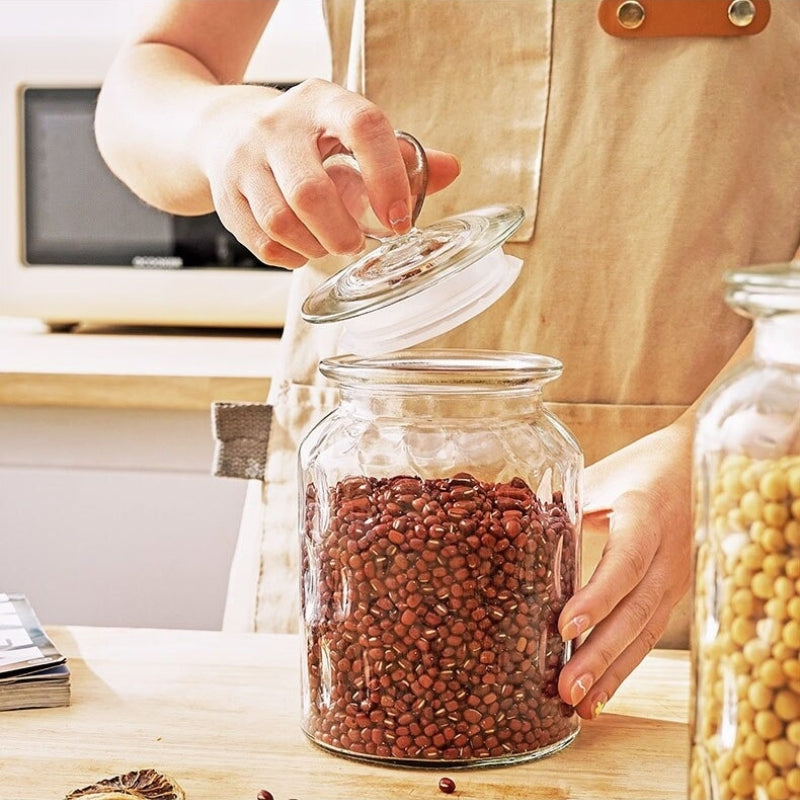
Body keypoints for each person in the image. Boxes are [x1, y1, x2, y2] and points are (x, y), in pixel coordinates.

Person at [94, 0, 800, 721]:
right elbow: (146, 80)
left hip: (728, 463)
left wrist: (713, 452)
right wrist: (217, 125)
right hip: (360, 474)